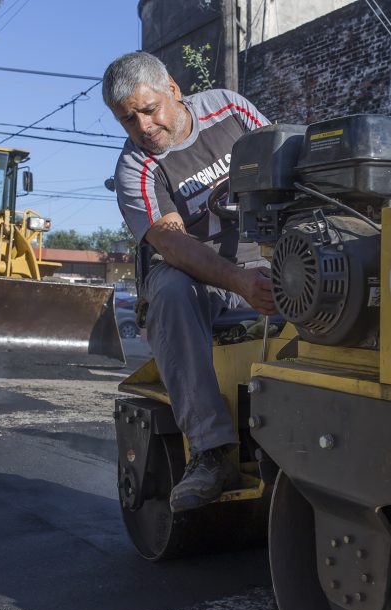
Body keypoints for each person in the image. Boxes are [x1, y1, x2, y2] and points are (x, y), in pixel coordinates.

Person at [104, 51, 276, 513]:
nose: (141, 127)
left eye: (147, 109)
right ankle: (212, 451)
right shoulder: (135, 169)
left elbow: (282, 165)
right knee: (170, 287)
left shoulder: (229, 109)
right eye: (127, 120)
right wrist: (241, 280)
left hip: (268, 257)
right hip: (204, 281)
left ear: (174, 90)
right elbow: (172, 244)